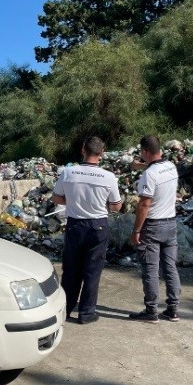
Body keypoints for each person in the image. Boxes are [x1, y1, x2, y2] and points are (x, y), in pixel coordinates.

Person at [52, 136, 122, 324]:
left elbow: (57, 198)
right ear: (102, 153)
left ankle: (65, 310)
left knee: (71, 270)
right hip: (98, 226)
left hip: (75, 225)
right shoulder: (108, 177)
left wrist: (74, 201)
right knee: (92, 271)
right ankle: (86, 313)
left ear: (83, 150)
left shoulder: (68, 172)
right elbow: (116, 206)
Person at [129, 135, 181, 323]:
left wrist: (136, 231)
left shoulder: (149, 175)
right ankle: (173, 309)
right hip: (171, 224)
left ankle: (151, 311)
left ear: (145, 152)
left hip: (152, 226)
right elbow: (156, 169)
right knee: (170, 267)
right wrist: (140, 166)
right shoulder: (171, 167)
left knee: (150, 269)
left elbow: (144, 205)